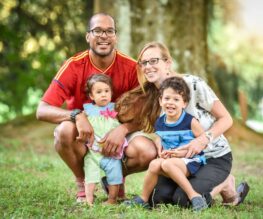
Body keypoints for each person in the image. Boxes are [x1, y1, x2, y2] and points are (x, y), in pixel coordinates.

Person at [36, 13, 156, 202]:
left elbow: (146, 112)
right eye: (97, 31)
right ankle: (83, 183)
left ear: (115, 36)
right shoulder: (74, 66)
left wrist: (123, 129)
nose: (103, 36)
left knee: (147, 151)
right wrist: (77, 115)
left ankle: (112, 178)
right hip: (85, 134)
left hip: (119, 134)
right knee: (63, 131)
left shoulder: (132, 67)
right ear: (88, 36)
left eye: (109, 31)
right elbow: (42, 110)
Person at [115, 41, 249, 208]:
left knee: (183, 200)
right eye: (144, 63)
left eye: (154, 61)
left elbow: (226, 119)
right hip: (180, 161)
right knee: (158, 198)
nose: (148, 66)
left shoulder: (192, 84)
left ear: (168, 63)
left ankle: (226, 183)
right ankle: (195, 185)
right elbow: (165, 128)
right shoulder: (156, 97)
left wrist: (202, 140)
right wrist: (159, 141)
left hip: (212, 157)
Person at [125, 76, 209, 211]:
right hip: (171, 160)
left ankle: (194, 196)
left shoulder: (191, 122)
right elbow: (160, 136)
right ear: (160, 101)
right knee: (154, 164)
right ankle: (143, 199)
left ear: (184, 103)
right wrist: (159, 143)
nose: (171, 103)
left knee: (166, 163)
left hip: (191, 161)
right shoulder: (160, 122)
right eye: (167, 98)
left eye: (176, 99)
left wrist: (180, 153)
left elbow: (202, 142)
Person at [83, 74, 127, 205]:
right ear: (91, 96)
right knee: (90, 174)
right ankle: (89, 200)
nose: (103, 95)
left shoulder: (115, 107)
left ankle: (112, 199)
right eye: (99, 92)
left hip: (111, 151)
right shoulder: (88, 110)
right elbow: (81, 121)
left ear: (111, 93)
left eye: (107, 91)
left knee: (115, 173)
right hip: (93, 152)